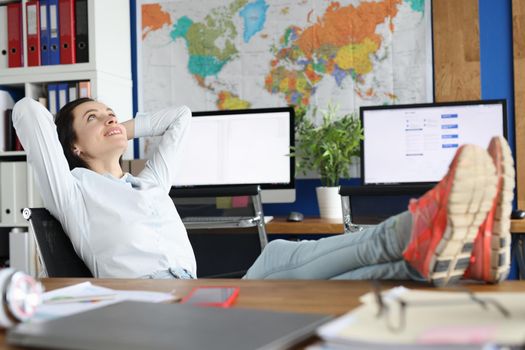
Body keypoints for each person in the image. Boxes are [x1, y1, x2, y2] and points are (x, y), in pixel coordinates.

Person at [12, 97, 515, 286]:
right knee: (327, 264)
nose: (108, 120)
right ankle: (430, 218)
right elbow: (26, 114)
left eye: (110, 112)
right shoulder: (73, 190)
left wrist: (123, 124)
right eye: (92, 119)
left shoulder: (147, 181)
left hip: (197, 287)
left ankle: (457, 255)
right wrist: (84, 128)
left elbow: (182, 118)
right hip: (161, 302)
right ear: (73, 147)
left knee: (287, 255)